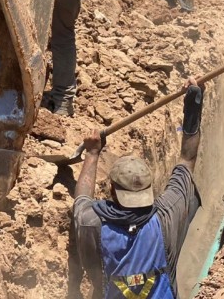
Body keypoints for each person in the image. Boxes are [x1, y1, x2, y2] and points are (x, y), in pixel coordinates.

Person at [73, 79, 204, 298]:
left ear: (113, 191)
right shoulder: (166, 215)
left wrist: (92, 153)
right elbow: (187, 160)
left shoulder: (92, 222)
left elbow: (82, 199)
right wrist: (194, 103)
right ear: (149, 189)